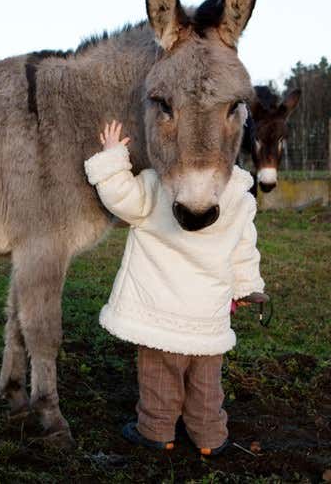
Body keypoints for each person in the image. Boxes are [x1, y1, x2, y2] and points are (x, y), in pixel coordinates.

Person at [84, 120, 268, 457]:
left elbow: (122, 198)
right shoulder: (237, 196)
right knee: (206, 382)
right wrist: (246, 288)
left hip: (161, 311)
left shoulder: (161, 182)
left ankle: (156, 430)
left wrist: (112, 157)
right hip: (207, 314)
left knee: (160, 375)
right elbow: (244, 249)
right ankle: (209, 436)